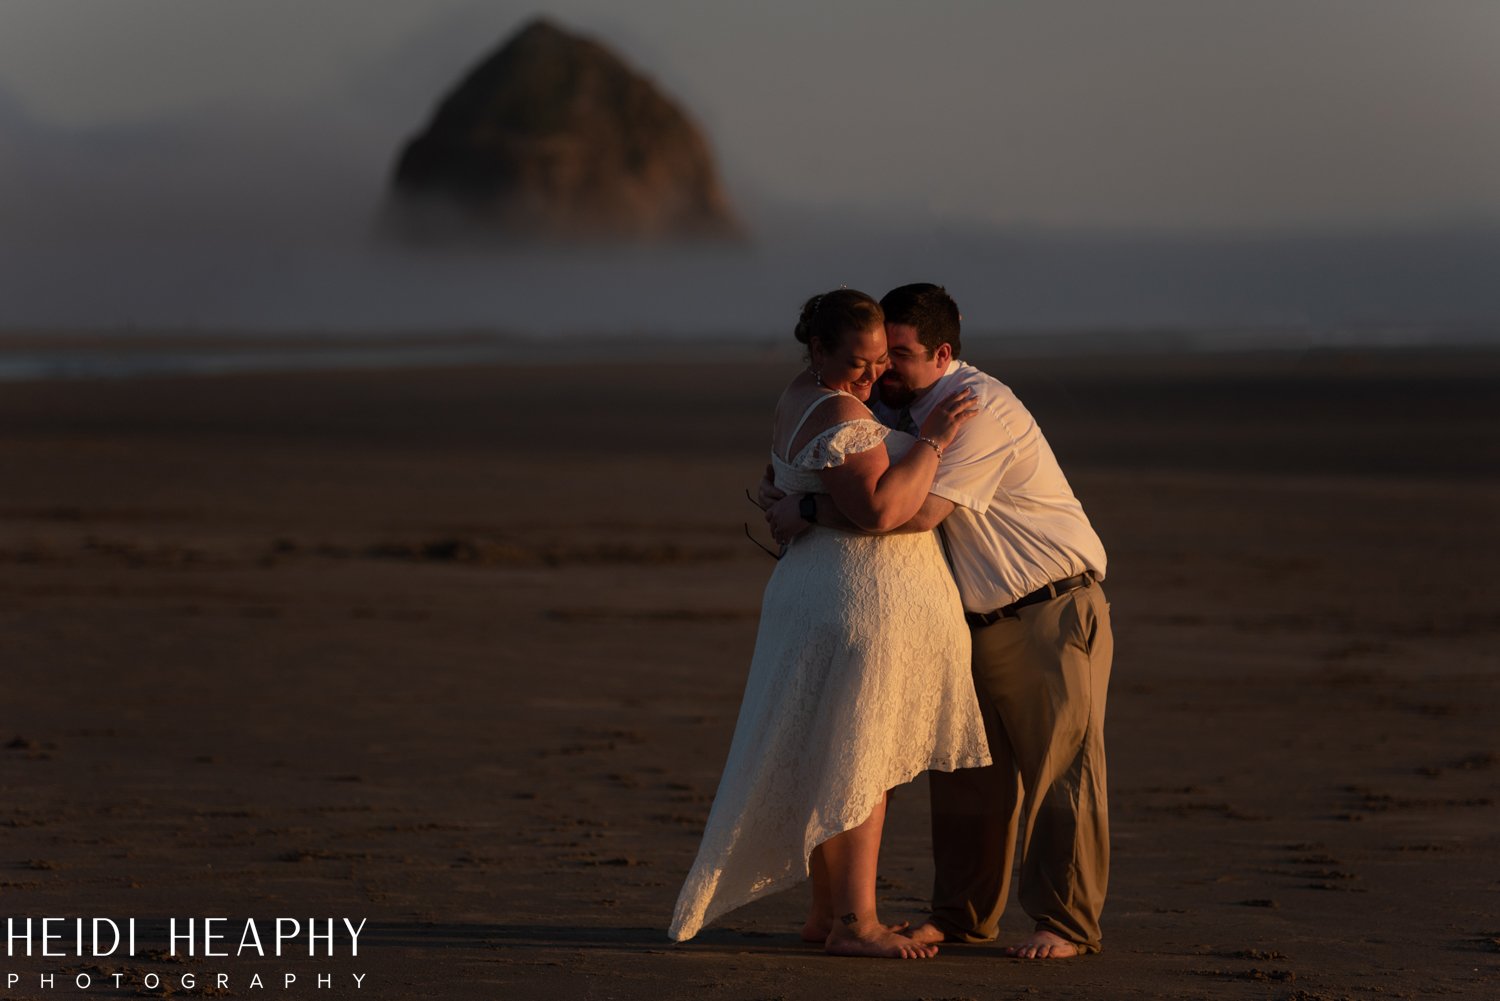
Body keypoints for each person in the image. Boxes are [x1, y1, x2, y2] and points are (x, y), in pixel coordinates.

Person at [764, 283, 1113, 959]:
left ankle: (1065, 923)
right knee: (966, 778)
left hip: (1047, 609)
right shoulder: (901, 404)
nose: (881, 370)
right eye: (874, 354)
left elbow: (910, 513)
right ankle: (960, 915)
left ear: (943, 352)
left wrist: (807, 513)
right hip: (970, 620)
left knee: (1060, 774)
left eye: (897, 354)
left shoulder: (973, 408)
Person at [668, 288, 991, 959]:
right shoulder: (839, 410)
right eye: (858, 361)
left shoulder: (800, 394)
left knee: (836, 753)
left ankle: (827, 913)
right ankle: (856, 923)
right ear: (817, 348)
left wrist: (804, 508)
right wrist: (932, 439)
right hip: (855, 603)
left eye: (879, 361)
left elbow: (813, 487)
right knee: (860, 760)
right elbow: (881, 510)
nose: (872, 376)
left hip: (819, 593)